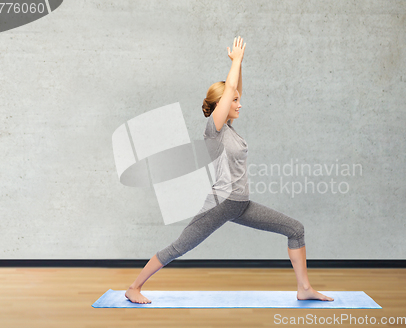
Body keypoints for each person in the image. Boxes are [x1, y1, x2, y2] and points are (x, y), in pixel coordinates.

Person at [125, 36, 334, 304]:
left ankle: (304, 288)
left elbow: (237, 89)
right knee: (180, 246)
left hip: (241, 204)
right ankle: (134, 287)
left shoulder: (230, 132)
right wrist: (235, 63)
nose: (239, 103)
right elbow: (232, 88)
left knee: (295, 229)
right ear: (222, 104)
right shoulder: (215, 130)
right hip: (221, 204)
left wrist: (240, 65)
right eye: (233, 101)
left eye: (237, 100)